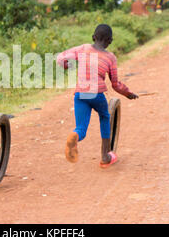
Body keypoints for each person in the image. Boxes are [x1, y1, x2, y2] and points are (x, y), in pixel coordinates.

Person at [56, 24, 139, 168]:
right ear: (110, 41)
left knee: (81, 128)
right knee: (105, 117)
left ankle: (74, 137)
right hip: (96, 94)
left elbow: (60, 58)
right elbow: (115, 84)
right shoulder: (110, 57)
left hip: (80, 94)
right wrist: (128, 93)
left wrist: (67, 66)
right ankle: (105, 156)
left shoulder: (82, 49)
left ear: (93, 37)